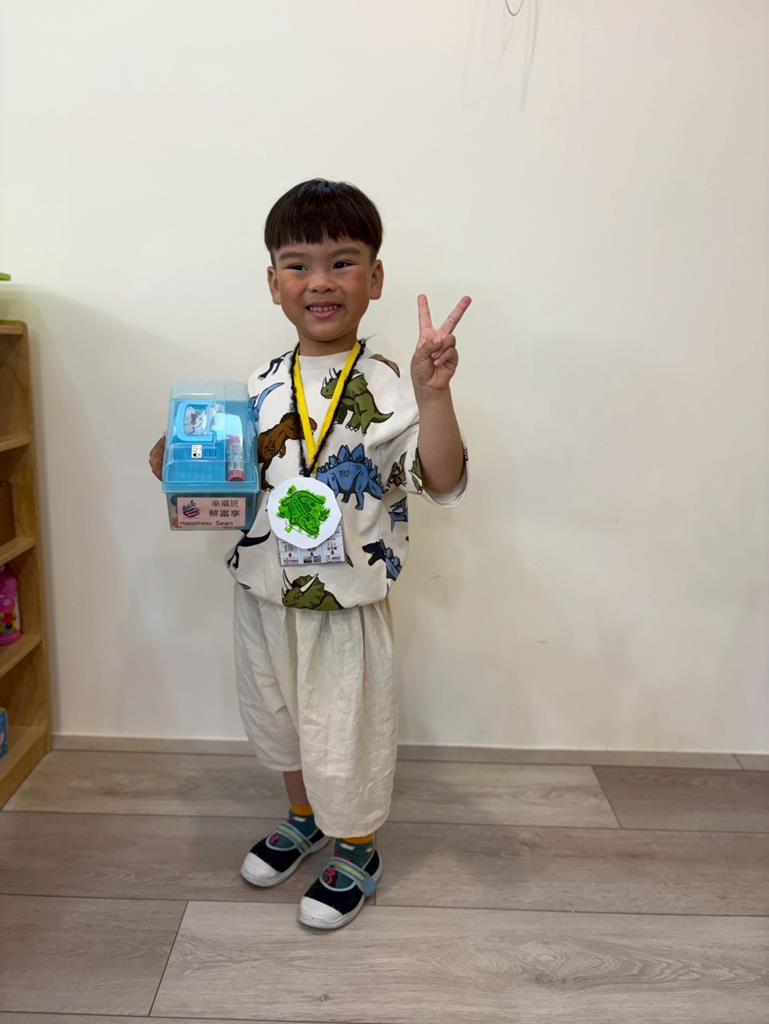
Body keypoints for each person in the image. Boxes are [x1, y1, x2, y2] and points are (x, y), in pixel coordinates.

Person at [149, 178, 470, 930]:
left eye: (341, 262)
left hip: (344, 603)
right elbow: (230, 478)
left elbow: (441, 479)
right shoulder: (258, 385)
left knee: (344, 731)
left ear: (374, 278)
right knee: (280, 719)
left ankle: (357, 847)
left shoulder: (394, 384)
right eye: (298, 265)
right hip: (262, 590)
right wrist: (179, 459)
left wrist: (434, 397)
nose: (319, 281)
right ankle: (305, 818)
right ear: (274, 284)